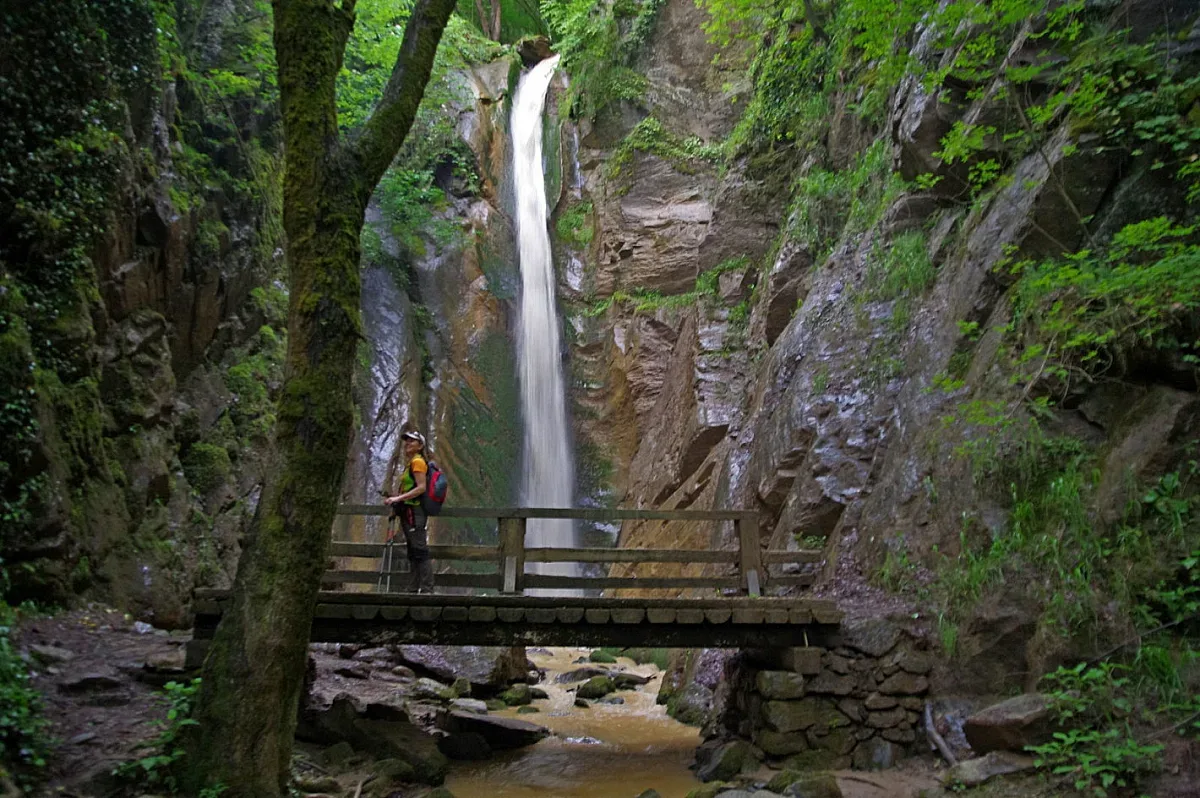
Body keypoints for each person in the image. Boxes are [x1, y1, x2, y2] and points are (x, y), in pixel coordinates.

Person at [384, 429, 434, 593]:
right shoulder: (411, 463)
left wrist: (398, 499)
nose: (407, 443)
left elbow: (421, 488)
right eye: (406, 440)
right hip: (408, 511)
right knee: (413, 549)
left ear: (420, 446)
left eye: (412, 441)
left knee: (420, 548)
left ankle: (427, 588)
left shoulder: (418, 462)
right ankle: (413, 587)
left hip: (415, 512)